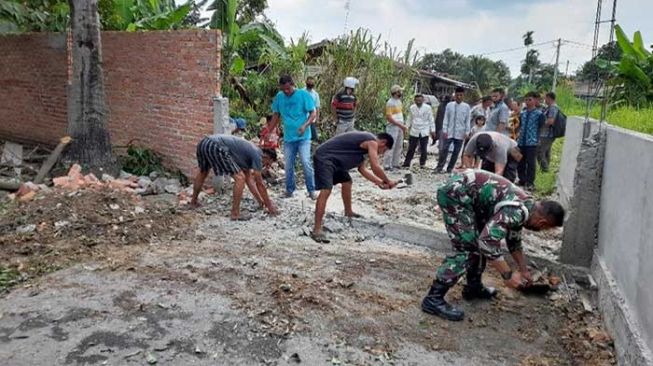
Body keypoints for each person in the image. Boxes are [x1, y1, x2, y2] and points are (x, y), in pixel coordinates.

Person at [421, 170, 565, 321]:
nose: (541, 231)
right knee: (468, 249)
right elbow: (487, 242)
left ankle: (473, 287)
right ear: (542, 222)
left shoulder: (527, 207)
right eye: (544, 229)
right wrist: (507, 275)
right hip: (455, 195)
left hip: (468, 197)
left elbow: (514, 241)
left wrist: (523, 270)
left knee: (477, 243)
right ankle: (433, 299)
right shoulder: (516, 211)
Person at [311, 132, 398, 243]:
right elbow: (375, 166)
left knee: (347, 181)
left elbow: (363, 170)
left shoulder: (364, 148)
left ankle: (348, 212)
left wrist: (380, 182)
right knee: (326, 190)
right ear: (383, 142)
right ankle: (317, 230)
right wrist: (388, 181)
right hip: (325, 158)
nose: (381, 153)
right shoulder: (372, 141)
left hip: (336, 162)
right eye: (384, 150)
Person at [190, 135, 279, 220]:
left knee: (203, 172)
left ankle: (193, 202)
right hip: (216, 146)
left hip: (204, 143)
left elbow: (250, 180)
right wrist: (269, 205)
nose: (264, 166)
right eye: (267, 163)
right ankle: (235, 213)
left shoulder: (249, 152)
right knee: (240, 178)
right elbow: (260, 184)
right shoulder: (258, 155)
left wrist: (261, 201)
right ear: (267, 157)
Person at [270, 75, 318, 199]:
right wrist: (269, 131)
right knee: (288, 165)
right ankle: (289, 190)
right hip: (288, 138)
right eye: (283, 89)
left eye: (288, 89)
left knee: (305, 162)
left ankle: (311, 190)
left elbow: (313, 113)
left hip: (303, 138)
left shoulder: (303, 95)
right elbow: (276, 115)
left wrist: (305, 125)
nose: (286, 92)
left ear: (293, 84)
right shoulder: (279, 97)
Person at [436, 87, 471, 174]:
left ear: (463, 96)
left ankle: (450, 168)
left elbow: (467, 120)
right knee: (444, 149)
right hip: (449, 131)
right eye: (457, 95)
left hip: (460, 132)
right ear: (454, 95)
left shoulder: (466, 107)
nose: (459, 97)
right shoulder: (449, 105)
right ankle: (439, 167)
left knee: (456, 151)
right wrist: (445, 130)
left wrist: (467, 132)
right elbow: (446, 118)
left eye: (461, 95)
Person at [517, 91, 546, 190]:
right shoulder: (522, 113)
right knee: (520, 161)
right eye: (526, 100)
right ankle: (522, 179)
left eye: (530, 99)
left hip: (532, 142)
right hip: (521, 141)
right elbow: (520, 125)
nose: (527, 102)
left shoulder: (539, 114)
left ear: (535, 101)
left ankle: (530, 182)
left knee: (531, 163)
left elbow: (541, 127)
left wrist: (538, 139)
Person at [402, 94, 436, 168]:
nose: (418, 102)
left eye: (420, 100)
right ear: (414, 100)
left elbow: (431, 119)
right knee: (411, 148)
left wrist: (433, 130)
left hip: (424, 129)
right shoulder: (412, 108)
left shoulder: (428, 108)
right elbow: (409, 118)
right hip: (414, 129)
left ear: (423, 100)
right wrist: (406, 127)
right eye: (417, 100)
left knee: (423, 148)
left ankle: (422, 163)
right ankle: (407, 163)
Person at [383, 84, 406, 170]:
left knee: (399, 145)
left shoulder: (399, 101)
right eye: (400, 91)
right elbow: (389, 117)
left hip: (400, 125)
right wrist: (400, 125)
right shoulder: (390, 102)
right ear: (396, 92)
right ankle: (387, 164)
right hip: (393, 126)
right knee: (391, 144)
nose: (401, 93)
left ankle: (395, 163)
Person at [538, 92, 559, 172]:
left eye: (545, 98)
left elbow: (550, 121)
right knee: (546, 152)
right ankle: (546, 170)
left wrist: (541, 123)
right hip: (547, 134)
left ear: (549, 98)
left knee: (540, 151)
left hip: (547, 134)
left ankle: (545, 169)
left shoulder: (553, 108)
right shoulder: (549, 107)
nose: (544, 100)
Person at [303, 76, 321, 143]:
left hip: (312, 118)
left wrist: (317, 118)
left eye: (312, 83)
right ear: (306, 82)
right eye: (309, 82)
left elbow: (317, 107)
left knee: (313, 137)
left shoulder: (315, 94)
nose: (310, 84)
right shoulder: (301, 92)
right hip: (302, 117)